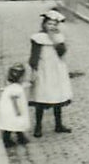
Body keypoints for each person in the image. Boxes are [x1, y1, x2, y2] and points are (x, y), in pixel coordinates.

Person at [29, 9, 74, 137]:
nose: (52, 27)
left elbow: (62, 52)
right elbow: (34, 56)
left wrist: (56, 40)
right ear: (44, 24)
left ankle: (58, 124)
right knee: (42, 96)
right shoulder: (38, 38)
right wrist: (34, 69)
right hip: (44, 70)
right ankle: (38, 126)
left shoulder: (58, 37)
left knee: (57, 96)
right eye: (49, 24)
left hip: (57, 70)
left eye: (54, 24)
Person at [0, 63, 31, 148]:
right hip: (12, 110)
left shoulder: (10, 87)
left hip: (6, 109)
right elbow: (14, 99)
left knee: (11, 124)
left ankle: (17, 137)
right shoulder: (17, 89)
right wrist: (17, 110)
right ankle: (11, 139)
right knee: (16, 122)